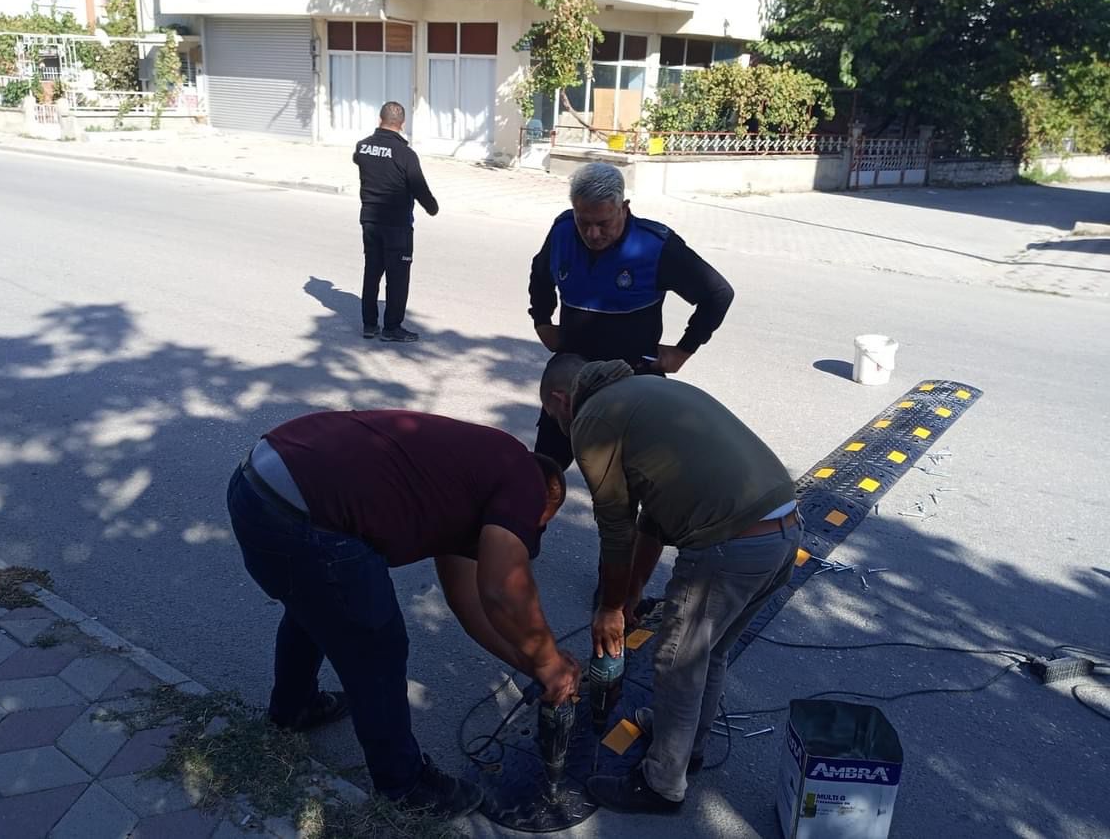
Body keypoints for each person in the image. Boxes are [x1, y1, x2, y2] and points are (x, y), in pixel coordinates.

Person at [226, 410, 581, 819]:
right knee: (377, 645)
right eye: (537, 526)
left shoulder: (475, 482)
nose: (528, 535)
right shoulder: (524, 480)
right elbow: (504, 589)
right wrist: (552, 663)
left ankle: (294, 708)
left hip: (259, 483)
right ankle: (405, 785)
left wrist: (534, 665)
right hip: (300, 509)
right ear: (545, 501)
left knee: (320, 603)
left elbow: (468, 603)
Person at [539, 354, 800, 815]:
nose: (559, 423)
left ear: (561, 399)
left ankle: (662, 785)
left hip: (731, 543)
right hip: (783, 529)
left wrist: (610, 607)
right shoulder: (646, 393)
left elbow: (616, 527)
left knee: (677, 662)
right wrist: (633, 592)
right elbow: (655, 515)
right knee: (708, 651)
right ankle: (685, 745)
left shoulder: (593, 418)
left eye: (554, 413)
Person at [528, 161, 735, 614]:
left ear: (625, 207)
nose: (593, 233)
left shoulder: (656, 246)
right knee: (541, 469)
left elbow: (718, 294)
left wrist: (683, 350)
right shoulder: (563, 229)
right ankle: (521, 548)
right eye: (585, 221)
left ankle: (614, 590)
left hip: (632, 388)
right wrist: (542, 319)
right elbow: (540, 272)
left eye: (603, 222)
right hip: (574, 376)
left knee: (621, 498)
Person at [353, 101, 438, 343]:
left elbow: (358, 160)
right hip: (397, 225)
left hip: (369, 220)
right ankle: (392, 327)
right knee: (397, 278)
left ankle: (369, 325)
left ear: (380, 120)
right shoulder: (405, 154)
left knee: (372, 272)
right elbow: (419, 187)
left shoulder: (362, 146)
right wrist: (432, 208)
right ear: (402, 124)